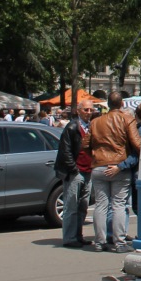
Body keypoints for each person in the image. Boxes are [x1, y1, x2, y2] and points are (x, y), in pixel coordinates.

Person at [89, 91, 141, 252]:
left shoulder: (96, 122)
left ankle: (99, 242)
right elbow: (138, 145)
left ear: (108, 104)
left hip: (99, 166)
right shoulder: (127, 119)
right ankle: (119, 242)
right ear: (122, 104)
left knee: (101, 205)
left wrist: (97, 155)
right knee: (119, 205)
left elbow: (85, 144)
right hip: (119, 167)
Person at [55, 102, 94, 248]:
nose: (88, 112)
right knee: (71, 206)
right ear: (78, 111)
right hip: (75, 172)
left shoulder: (91, 127)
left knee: (83, 206)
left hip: (88, 171)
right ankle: (69, 238)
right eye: (85, 109)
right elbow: (65, 150)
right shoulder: (72, 127)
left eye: (91, 109)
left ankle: (78, 235)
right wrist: (74, 169)